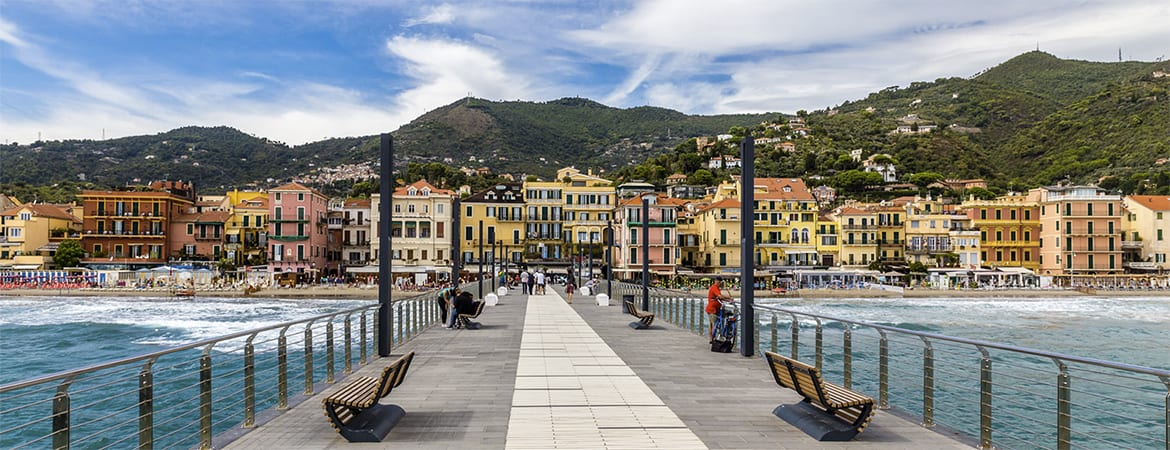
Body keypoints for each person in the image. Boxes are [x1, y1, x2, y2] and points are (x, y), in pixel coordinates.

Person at [706, 277, 732, 343]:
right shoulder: (714, 287)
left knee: (712, 324)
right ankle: (714, 339)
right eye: (719, 282)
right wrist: (729, 298)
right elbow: (720, 296)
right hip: (712, 309)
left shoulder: (716, 288)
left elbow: (719, 297)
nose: (719, 283)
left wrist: (727, 299)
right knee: (714, 325)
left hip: (713, 309)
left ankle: (711, 339)